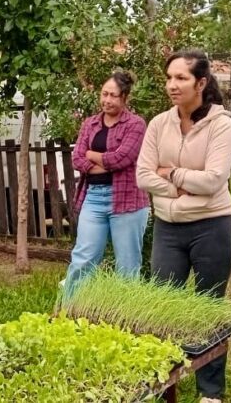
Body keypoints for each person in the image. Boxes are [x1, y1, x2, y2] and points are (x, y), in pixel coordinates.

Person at [137, 50, 231, 403]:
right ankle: (166, 383)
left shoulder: (222, 125)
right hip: (167, 227)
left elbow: (213, 181)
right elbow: (143, 175)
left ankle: (211, 391)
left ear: (201, 83)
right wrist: (176, 187)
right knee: (164, 307)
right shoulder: (158, 124)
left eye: (180, 78)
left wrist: (172, 174)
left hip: (212, 226)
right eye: (169, 77)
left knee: (208, 307)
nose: (172, 85)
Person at [63, 71, 149, 296]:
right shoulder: (90, 124)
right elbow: (77, 159)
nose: (107, 100)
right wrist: (100, 161)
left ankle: (126, 318)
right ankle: (68, 309)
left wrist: (92, 155)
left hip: (127, 200)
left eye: (113, 96)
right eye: (104, 94)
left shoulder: (136, 124)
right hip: (93, 196)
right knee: (84, 257)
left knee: (127, 264)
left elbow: (122, 158)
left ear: (125, 98)